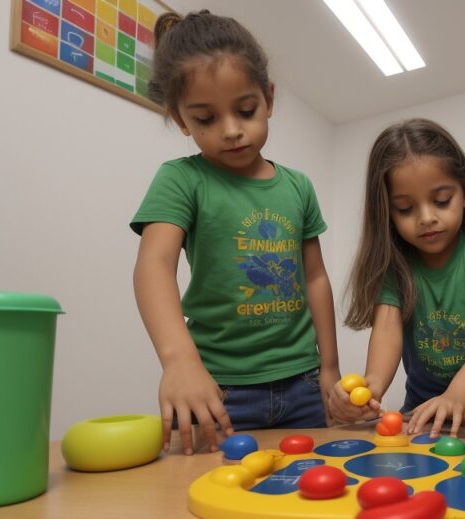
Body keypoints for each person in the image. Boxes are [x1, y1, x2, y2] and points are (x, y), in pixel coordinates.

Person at [131, 10, 341, 455]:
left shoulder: (298, 186)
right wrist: (178, 361)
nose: (231, 131)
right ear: (181, 119)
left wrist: (329, 369)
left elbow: (316, 277)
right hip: (217, 388)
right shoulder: (181, 180)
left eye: (245, 110)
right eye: (205, 119)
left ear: (268, 99)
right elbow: (154, 264)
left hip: (303, 383)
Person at [341, 119, 465, 438]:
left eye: (441, 201)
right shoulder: (394, 265)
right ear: (387, 212)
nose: (427, 218)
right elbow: (386, 332)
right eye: (404, 208)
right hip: (423, 416)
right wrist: (368, 390)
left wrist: (460, 392)